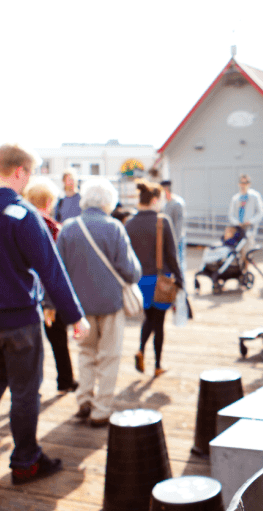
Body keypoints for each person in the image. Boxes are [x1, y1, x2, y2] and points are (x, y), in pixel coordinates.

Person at [0, 144, 90, 485]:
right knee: (25, 392)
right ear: (20, 172)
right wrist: (75, 316)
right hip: (18, 322)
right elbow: (50, 270)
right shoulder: (23, 215)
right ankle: (26, 461)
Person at [57, 177, 142, 427]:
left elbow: (58, 271)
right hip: (109, 304)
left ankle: (83, 398)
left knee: (85, 352)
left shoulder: (68, 228)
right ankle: (101, 409)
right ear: (109, 201)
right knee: (109, 356)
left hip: (79, 307)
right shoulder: (114, 227)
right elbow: (129, 271)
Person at [24, 176, 78, 393]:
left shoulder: (17, 223)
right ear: (49, 202)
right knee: (58, 341)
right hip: (49, 295)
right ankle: (65, 380)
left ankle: (26, 386)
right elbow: (58, 267)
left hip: (24, 294)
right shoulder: (55, 229)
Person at [125, 180, 184, 377]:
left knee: (149, 318)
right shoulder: (162, 221)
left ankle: (141, 350)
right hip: (161, 281)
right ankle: (157, 365)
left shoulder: (129, 224)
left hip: (140, 281)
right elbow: (172, 255)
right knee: (158, 323)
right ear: (155, 200)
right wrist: (181, 280)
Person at [228, 174, 263, 258]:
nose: (243, 185)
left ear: (249, 184)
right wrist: (237, 222)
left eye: (246, 183)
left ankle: (246, 269)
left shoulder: (255, 196)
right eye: (241, 182)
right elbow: (231, 214)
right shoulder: (235, 198)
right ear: (239, 184)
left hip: (249, 228)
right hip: (238, 228)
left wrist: (250, 221)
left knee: (247, 252)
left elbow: (260, 212)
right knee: (237, 252)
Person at [161, 179, 186, 274]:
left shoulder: (177, 203)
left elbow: (179, 224)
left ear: (166, 189)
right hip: (168, 239)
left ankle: (181, 286)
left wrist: (175, 241)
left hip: (177, 239)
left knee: (179, 262)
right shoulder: (165, 203)